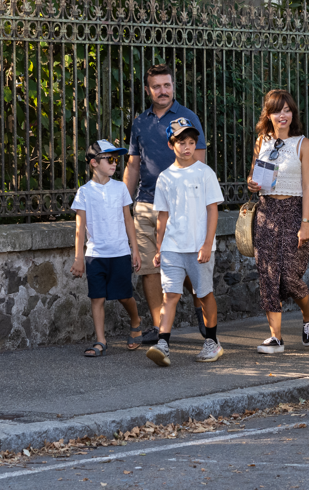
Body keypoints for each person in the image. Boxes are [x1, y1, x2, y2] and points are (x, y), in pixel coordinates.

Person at [123, 64, 208, 343]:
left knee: (186, 265)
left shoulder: (188, 117)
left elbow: (200, 164)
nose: (163, 91)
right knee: (149, 268)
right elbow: (133, 166)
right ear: (148, 90)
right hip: (147, 205)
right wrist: (124, 203)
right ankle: (163, 332)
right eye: (157, 86)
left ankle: (200, 305)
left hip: (181, 208)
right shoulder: (140, 123)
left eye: (167, 85)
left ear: (173, 86)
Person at [145, 117, 225, 366]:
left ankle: (212, 341)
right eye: (182, 142)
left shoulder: (205, 172)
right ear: (171, 145)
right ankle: (163, 344)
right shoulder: (165, 178)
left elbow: (212, 210)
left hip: (199, 247)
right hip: (172, 247)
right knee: (170, 295)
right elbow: (163, 216)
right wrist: (159, 249)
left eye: (191, 142)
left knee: (204, 295)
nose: (188, 146)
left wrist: (206, 244)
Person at [246, 89, 309, 354]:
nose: (283, 115)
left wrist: (305, 222)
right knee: (267, 275)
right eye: (277, 110)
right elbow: (252, 177)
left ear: (292, 113)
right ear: (269, 115)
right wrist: (252, 184)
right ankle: (275, 338)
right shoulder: (261, 142)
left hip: (293, 210)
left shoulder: (303, 144)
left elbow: (308, 188)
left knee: (289, 277)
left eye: (287, 109)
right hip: (266, 212)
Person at [70, 139, 143, 356]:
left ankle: (135, 320)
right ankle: (101, 341)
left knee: (123, 295)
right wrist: (78, 258)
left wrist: (135, 249)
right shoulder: (84, 192)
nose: (114, 164)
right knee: (97, 297)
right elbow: (80, 227)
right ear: (93, 162)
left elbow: (128, 220)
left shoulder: (120, 188)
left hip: (120, 252)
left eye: (116, 159)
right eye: (109, 159)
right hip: (95, 254)